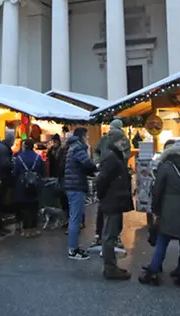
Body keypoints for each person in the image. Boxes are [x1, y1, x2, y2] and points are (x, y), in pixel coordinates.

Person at [138, 139, 180, 288]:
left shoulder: (166, 167)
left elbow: (157, 190)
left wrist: (156, 209)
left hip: (168, 209)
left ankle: (153, 272)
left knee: (162, 241)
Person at [95, 129, 133, 280]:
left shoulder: (115, 156)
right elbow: (101, 180)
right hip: (112, 200)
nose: (123, 143)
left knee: (112, 233)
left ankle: (112, 266)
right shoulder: (112, 158)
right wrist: (102, 195)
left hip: (115, 200)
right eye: (121, 140)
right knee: (109, 235)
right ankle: (110, 268)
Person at [91, 119, 128, 251]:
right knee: (109, 210)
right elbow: (97, 151)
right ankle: (104, 236)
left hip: (113, 179)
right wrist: (98, 163)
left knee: (110, 210)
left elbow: (125, 154)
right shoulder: (105, 140)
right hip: (108, 176)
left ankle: (107, 235)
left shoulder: (121, 140)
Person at [64, 127, 97, 260]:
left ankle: (74, 247)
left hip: (72, 185)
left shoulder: (72, 147)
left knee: (75, 217)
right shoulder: (78, 148)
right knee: (75, 218)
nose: (88, 139)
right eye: (87, 136)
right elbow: (87, 164)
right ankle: (73, 250)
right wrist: (97, 168)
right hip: (76, 186)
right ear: (82, 136)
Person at [14, 139, 44, 238]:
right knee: (34, 207)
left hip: (23, 185)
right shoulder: (38, 157)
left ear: (25, 146)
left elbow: (15, 172)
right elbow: (42, 171)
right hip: (35, 185)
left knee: (25, 208)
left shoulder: (19, 158)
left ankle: (26, 230)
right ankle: (34, 229)